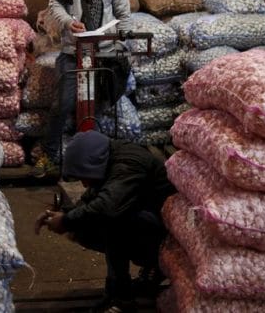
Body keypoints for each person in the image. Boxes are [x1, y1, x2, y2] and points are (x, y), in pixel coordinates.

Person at [34, 130, 175, 312]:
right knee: (90, 223)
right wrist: (62, 213)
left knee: (111, 222)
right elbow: (91, 198)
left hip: (166, 235)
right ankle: (119, 291)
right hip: (148, 221)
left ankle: (124, 296)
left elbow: (107, 207)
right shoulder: (109, 158)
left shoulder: (128, 164)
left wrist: (67, 221)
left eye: (84, 177)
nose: (84, 184)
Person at [32, 0, 132, 178]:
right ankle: (50, 153)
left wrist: (124, 37)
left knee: (97, 106)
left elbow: (123, 13)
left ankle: (91, 158)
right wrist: (68, 22)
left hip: (104, 52)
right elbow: (56, 5)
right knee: (62, 103)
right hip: (72, 50)